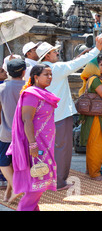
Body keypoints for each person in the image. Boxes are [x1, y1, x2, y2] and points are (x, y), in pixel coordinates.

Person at [39, 34, 102, 190]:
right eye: (54, 51)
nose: (57, 53)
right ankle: (59, 181)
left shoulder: (36, 69)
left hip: (42, 116)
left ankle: (44, 178)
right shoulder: (56, 69)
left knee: (45, 148)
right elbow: (78, 63)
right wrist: (97, 49)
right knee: (62, 148)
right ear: (47, 55)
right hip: (60, 114)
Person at [6, 64, 60, 211]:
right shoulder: (31, 94)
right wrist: (32, 144)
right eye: (46, 74)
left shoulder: (43, 93)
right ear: (35, 77)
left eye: (51, 74)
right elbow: (27, 120)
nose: (50, 77)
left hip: (46, 143)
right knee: (38, 182)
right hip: (36, 144)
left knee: (38, 181)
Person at [78, 57, 102, 180]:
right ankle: (95, 173)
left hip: (93, 117)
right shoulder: (95, 80)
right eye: (101, 65)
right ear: (94, 67)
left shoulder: (91, 79)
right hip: (97, 118)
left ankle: (90, 170)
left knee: (92, 144)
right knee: (97, 145)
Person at [0, 59, 26, 202]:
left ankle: (16, 187)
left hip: (6, 132)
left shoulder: (2, 88)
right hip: (25, 133)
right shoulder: (28, 88)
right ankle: (9, 193)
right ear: (24, 72)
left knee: (3, 163)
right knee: (16, 164)